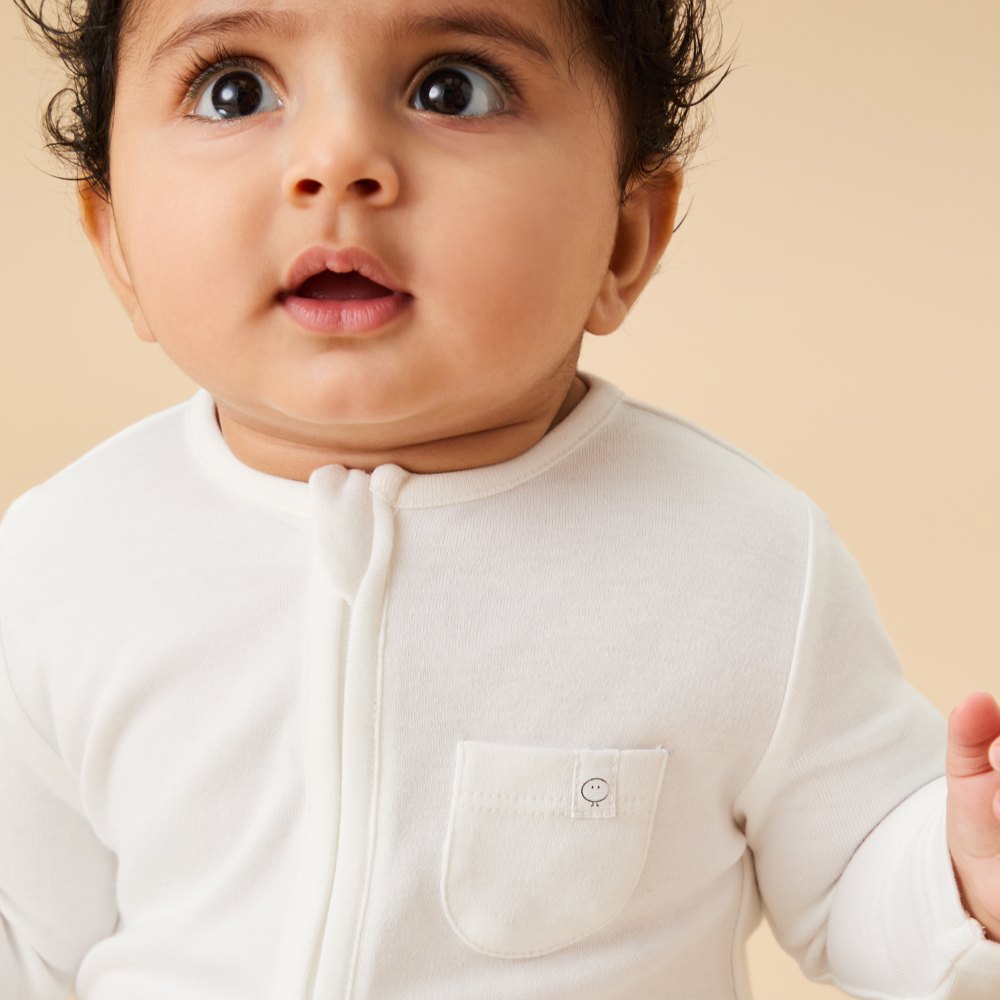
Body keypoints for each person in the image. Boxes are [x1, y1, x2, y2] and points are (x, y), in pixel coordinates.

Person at [2, 0, 999, 997]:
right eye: (235, 91)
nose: (337, 161)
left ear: (624, 239)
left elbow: (859, 868)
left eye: (452, 89)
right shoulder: (63, 562)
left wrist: (961, 877)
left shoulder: (741, 560)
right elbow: (28, 933)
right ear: (115, 242)